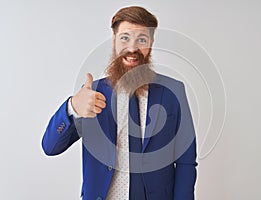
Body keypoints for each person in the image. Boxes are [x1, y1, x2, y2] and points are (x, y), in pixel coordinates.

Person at [42, 6, 197, 200]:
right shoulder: (91, 94)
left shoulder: (174, 91)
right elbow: (50, 147)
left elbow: (186, 161)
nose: (132, 48)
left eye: (141, 39)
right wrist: (72, 107)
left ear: (151, 42)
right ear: (114, 39)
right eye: (125, 38)